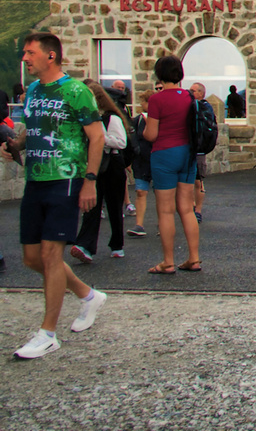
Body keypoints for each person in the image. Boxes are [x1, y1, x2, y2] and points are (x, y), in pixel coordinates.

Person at [5, 32, 107, 358]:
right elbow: (32, 129)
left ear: (50, 56)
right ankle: (88, 295)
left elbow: (97, 137)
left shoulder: (75, 91)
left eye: (30, 53)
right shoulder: (33, 90)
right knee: (32, 258)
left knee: (51, 256)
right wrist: (16, 144)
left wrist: (89, 181)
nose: (25, 58)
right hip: (35, 179)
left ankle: (47, 333)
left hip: (66, 178)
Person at [142, 55, 202, 274]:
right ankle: (194, 258)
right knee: (187, 209)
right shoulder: (188, 97)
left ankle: (168, 261)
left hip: (164, 155)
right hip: (187, 154)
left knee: (165, 211)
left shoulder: (156, 100)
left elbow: (151, 134)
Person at [70, 82, 130, 263]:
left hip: (112, 164)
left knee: (114, 205)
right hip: (95, 163)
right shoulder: (86, 118)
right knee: (92, 206)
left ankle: (117, 245)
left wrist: (100, 138)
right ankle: (85, 246)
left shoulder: (112, 119)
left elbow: (121, 142)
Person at [127, 97, 153, 238]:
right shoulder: (137, 120)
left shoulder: (159, 119)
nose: (142, 104)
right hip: (141, 161)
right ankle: (139, 225)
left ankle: (163, 224)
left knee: (162, 195)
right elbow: (132, 141)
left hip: (157, 159)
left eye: (145, 101)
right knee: (140, 192)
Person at [190, 82, 210, 222]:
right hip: (187, 147)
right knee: (187, 181)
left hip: (199, 149)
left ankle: (198, 210)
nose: (191, 93)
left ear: (201, 93)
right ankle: (191, 206)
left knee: (198, 181)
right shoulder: (187, 105)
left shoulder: (205, 107)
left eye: (194, 91)